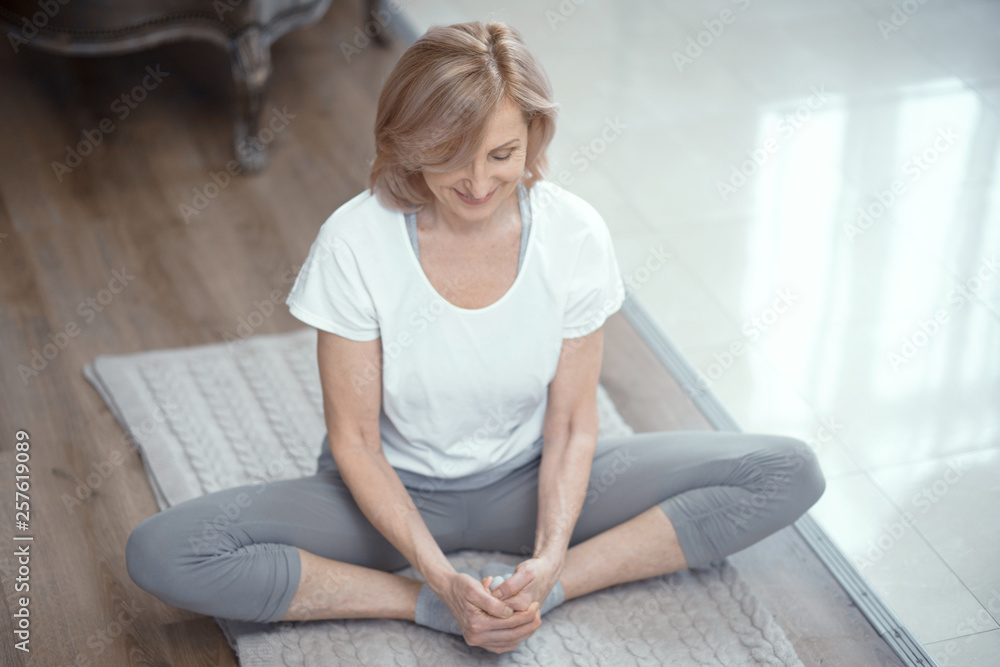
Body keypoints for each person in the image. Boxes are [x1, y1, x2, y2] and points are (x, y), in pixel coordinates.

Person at [124, 21, 826, 655]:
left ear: (534, 138)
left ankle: (551, 589)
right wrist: (436, 583)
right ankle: (422, 604)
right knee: (164, 550)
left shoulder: (574, 233)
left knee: (788, 470)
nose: (477, 181)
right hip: (387, 489)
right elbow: (356, 443)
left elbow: (575, 422)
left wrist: (549, 563)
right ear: (407, 142)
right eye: (451, 154)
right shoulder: (355, 240)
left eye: (502, 154)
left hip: (524, 477)